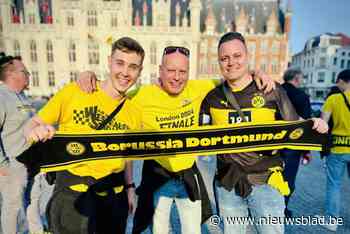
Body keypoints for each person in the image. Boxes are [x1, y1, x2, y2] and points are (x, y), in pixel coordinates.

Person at [78, 48, 276, 234]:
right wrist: (88, 76)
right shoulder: (141, 94)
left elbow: (234, 77)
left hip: (188, 178)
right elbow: (111, 92)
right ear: (160, 71)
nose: (177, 76)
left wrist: (256, 71)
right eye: (171, 70)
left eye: (182, 71)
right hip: (157, 177)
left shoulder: (199, 88)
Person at [199, 32, 328, 234]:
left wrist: (314, 123)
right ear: (219, 62)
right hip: (227, 186)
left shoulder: (270, 90)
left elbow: (294, 124)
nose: (231, 62)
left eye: (237, 55)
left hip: (266, 183)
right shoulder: (211, 98)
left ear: (247, 56)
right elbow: (198, 135)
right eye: (225, 58)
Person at [24, 37, 144, 234]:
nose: (125, 72)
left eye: (133, 67)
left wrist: (130, 188)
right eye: (119, 63)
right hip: (74, 198)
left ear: (139, 71)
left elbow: (127, 155)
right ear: (109, 62)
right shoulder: (75, 92)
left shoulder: (134, 111)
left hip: (114, 200)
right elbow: (31, 125)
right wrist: (35, 131)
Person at [0, 53, 34, 234]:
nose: (28, 75)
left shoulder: (22, 97)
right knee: (13, 208)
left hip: (27, 163)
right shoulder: (2, 96)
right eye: (25, 72)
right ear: (12, 74)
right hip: (11, 164)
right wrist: (2, 165)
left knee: (24, 206)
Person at [321, 69, 350, 232]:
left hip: (338, 147)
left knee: (334, 185)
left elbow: (323, 125)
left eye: (338, 81)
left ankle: (332, 220)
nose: (337, 84)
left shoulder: (333, 99)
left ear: (344, 81)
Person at [281, 69, 311, 217]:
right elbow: (306, 126)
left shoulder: (274, 91)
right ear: (297, 79)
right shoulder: (302, 96)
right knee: (288, 178)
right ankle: (282, 208)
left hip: (272, 142)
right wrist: (306, 151)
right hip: (293, 145)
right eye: (301, 78)